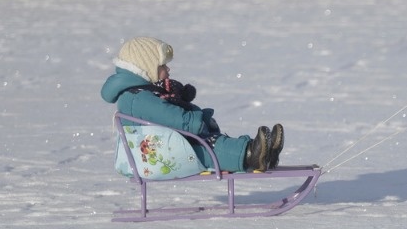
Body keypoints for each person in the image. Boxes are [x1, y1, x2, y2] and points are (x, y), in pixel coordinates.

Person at [101, 36, 284, 172]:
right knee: (210, 147)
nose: (168, 70)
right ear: (147, 67)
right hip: (159, 157)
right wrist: (197, 119)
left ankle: (262, 153)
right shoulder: (138, 98)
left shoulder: (140, 94)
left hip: (166, 147)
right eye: (162, 66)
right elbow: (174, 118)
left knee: (212, 142)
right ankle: (251, 155)